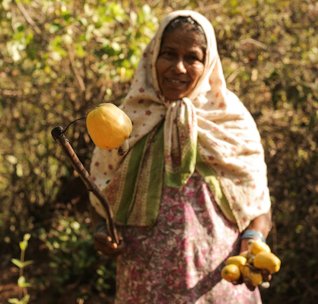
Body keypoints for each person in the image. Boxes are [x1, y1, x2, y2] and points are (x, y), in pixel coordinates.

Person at [89, 10, 272, 304]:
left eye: (192, 58)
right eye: (169, 54)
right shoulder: (125, 122)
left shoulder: (230, 122)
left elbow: (259, 205)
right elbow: (100, 196)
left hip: (222, 286)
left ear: (208, 62)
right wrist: (101, 231)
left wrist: (255, 240)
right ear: (152, 57)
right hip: (145, 286)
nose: (179, 67)